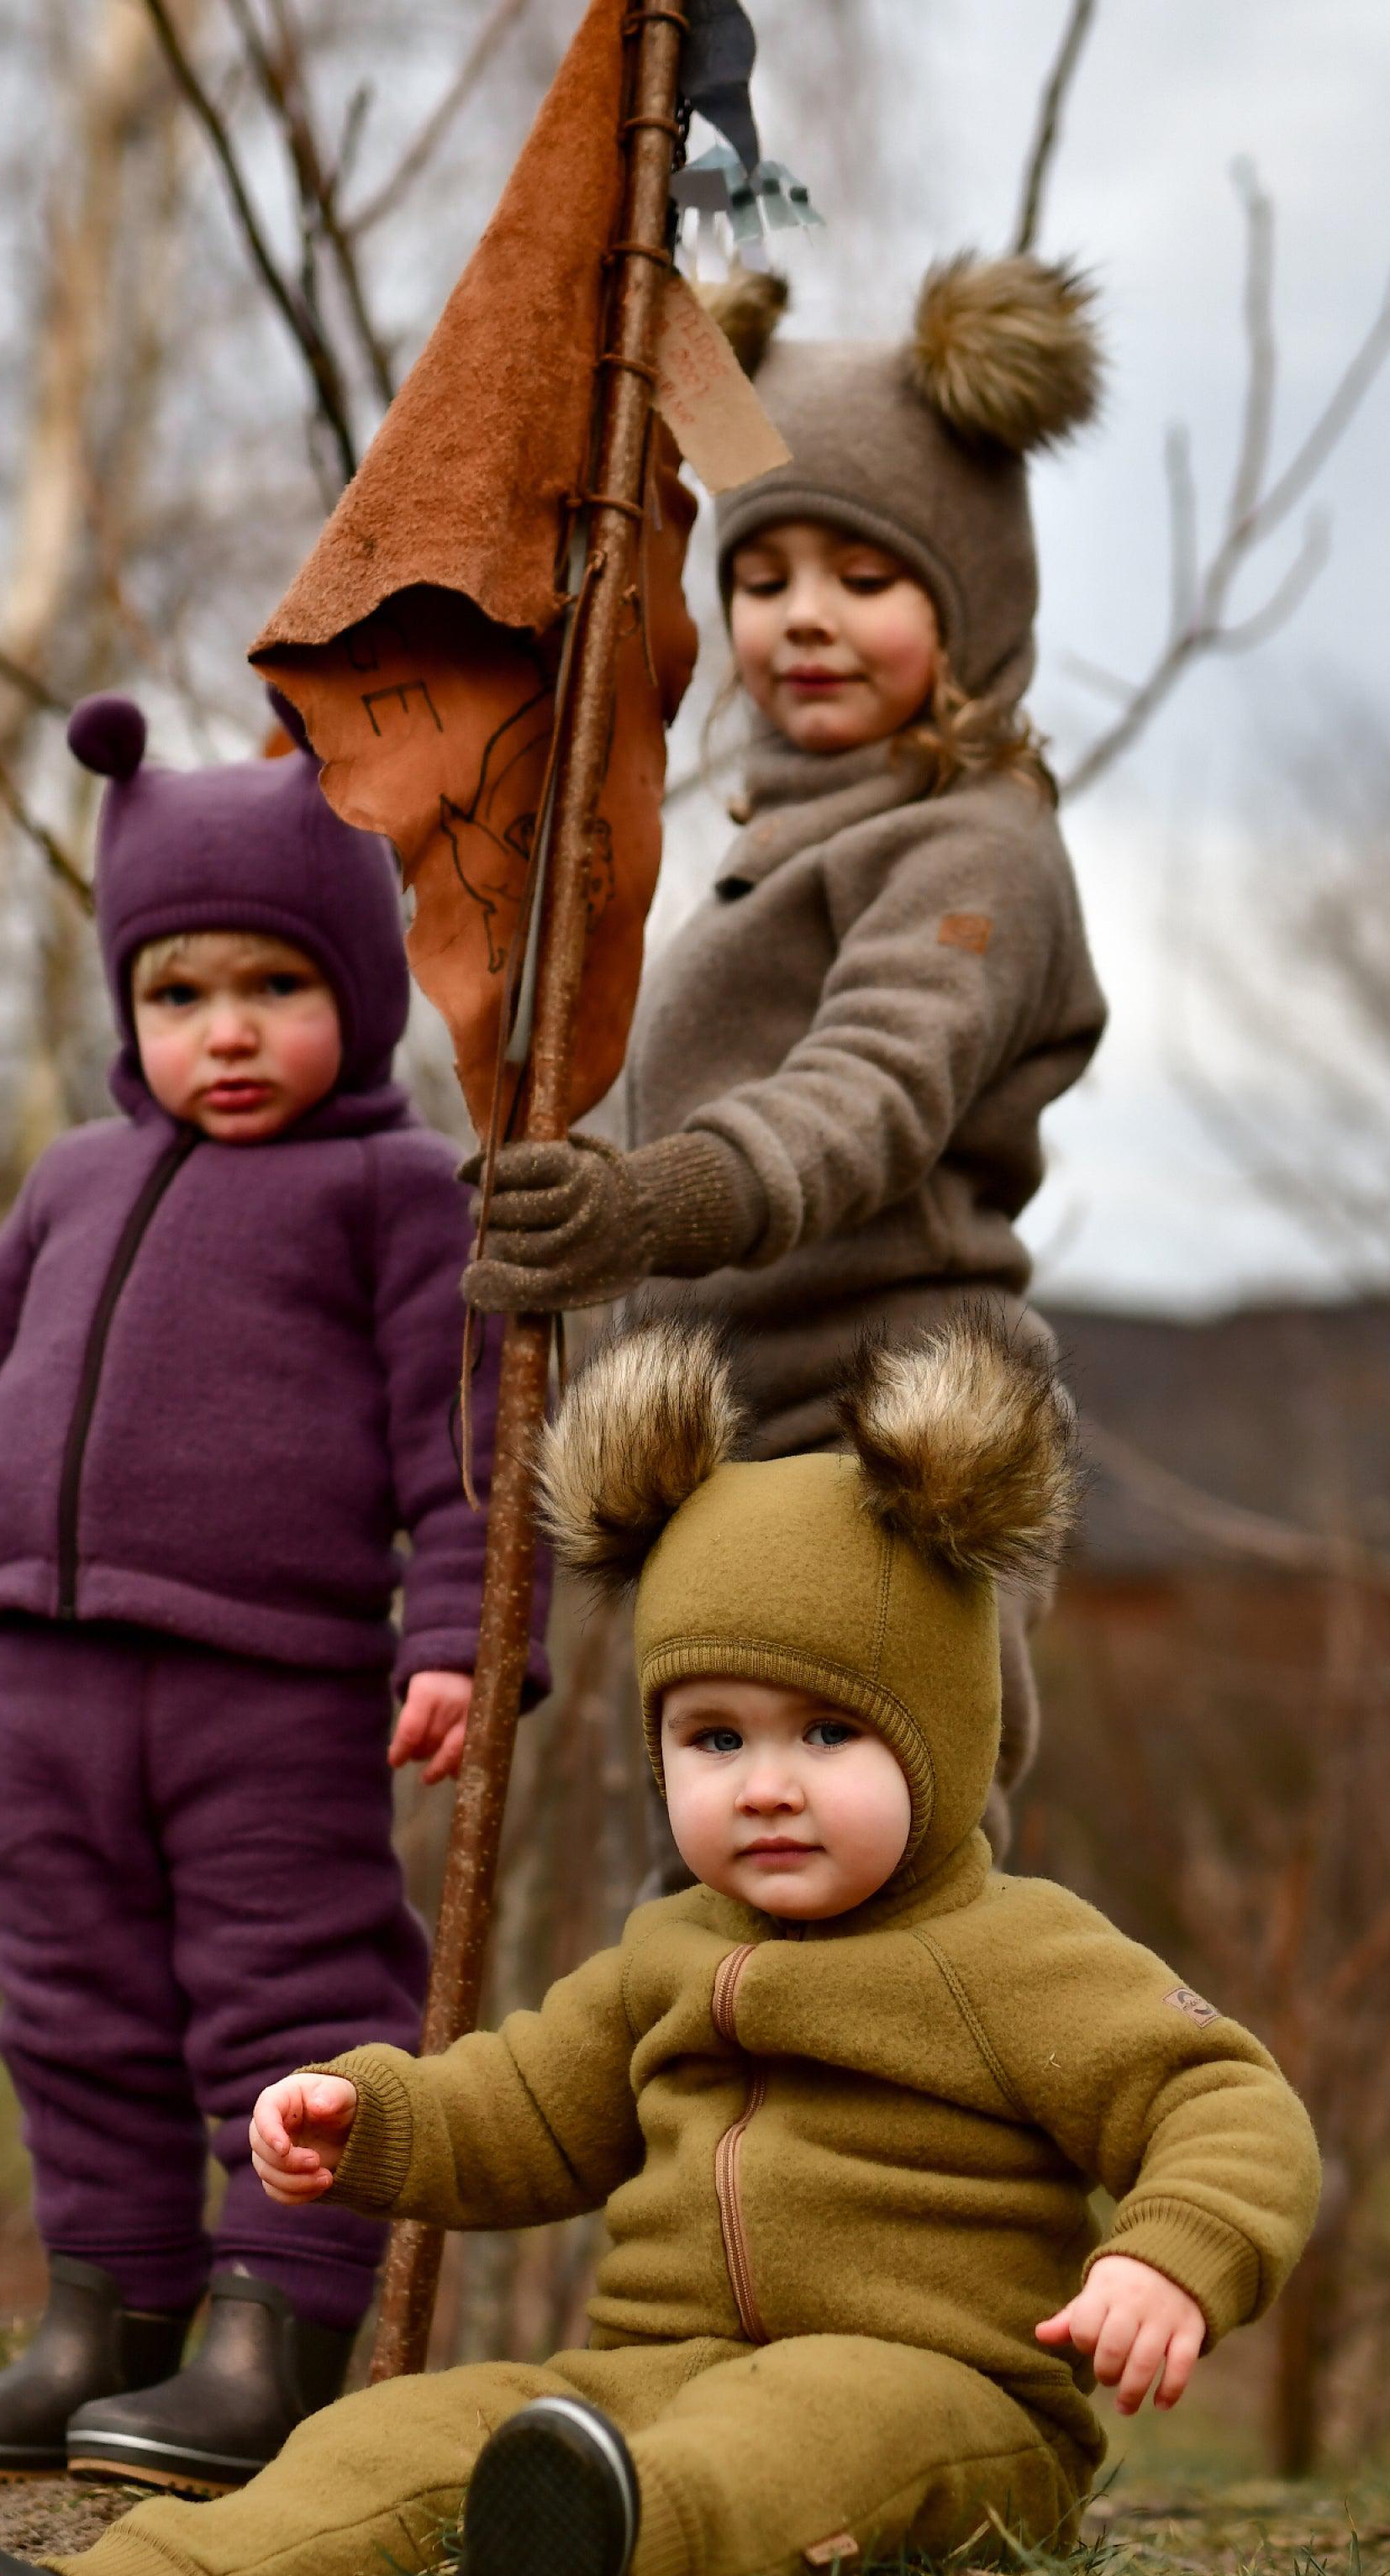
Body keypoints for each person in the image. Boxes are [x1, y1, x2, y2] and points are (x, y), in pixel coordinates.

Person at [0, 1309, 1319, 2576]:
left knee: (800, 2431)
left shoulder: (1020, 1952)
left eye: (827, 1733)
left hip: (950, 2397)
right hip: (641, 2378)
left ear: (941, 1726)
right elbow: (527, 2108)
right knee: (401, 2437)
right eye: (713, 1739)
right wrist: (375, 2118)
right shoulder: (665, 1954)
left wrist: (1173, 2256)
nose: (767, 1788)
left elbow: (1221, 2097)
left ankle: (595, 2574)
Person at [0, 693, 544, 2493]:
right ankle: (101, 2320)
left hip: (270, 1686)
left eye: (273, 989)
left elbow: (463, 1455)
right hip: (40, 1684)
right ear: (129, 1007)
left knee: (284, 1994)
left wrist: (461, 1640)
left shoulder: (394, 1194)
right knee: (70, 2003)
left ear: (355, 994)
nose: (223, 1034)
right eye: (177, 994)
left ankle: (272, 2325)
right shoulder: (69, 1181)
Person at [463, 251, 1109, 1859]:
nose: (804, 617)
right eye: (766, 578)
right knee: (720, 1902)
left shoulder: (978, 849)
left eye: (866, 577)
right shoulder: (764, 848)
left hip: (887, 1450)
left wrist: (651, 1207)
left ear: (970, 605)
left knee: (900, 1876)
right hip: (723, 1460)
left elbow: (871, 1098)